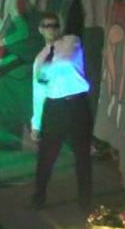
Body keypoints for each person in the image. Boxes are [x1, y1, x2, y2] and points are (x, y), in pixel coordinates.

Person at [30, 12, 92, 209]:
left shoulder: (71, 42)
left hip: (77, 104)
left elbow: (65, 63)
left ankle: (86, 201)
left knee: (82, 154)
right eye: (47, 26)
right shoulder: (40, 58)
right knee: (46, 156)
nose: (52, 29)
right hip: (55, 106)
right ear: (40, 29)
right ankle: (39, 197)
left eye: (55, 25)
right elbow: (38, 92)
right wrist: (36, 123)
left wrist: (45, 73)